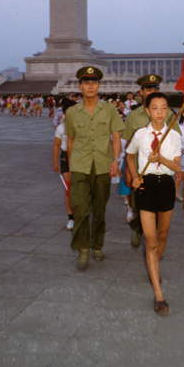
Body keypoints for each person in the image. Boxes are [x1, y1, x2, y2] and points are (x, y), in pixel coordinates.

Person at [65, 66, 125, 271]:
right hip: (80, 166)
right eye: (86, 83)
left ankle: (97, 245)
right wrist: (72, 166)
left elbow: (116, 137)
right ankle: (83, 248)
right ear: (80, 86)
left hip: (102, 165)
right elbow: (70, 140)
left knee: (99, 210)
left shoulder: (109, 110)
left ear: (99, 86)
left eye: (94, 83)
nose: (90, 86)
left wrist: (116, 160)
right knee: (81, 209)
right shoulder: (72, 112)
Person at [126, 92, 181, 315]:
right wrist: (134, 176)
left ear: (168, 111)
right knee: (150, 240)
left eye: (164, 108)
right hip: (146, 187)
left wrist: (161, 160)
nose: (160, 113)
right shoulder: (140, 134)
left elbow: (177, 168)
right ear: (147, 111)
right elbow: (129, 156)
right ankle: (158, 293)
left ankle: (153, 266)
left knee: (162, 236)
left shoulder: (174, 136)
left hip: (166, 185)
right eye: (155, 108)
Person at [122, 74, 181, 248]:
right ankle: (138, 228)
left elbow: (176, 141)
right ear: (141, 92)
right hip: (140, 171)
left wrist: (178, 170)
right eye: (148, 89)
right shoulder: (133, 116)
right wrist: (128, 173)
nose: (152, 92)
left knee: (158, 208)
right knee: (139, 203)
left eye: (156, 89)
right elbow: (128, 147)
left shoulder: (168, 115)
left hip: (162, 170)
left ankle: (152, 238)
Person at [53, 98, 76, 230]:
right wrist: (54, 161)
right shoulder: (61, 127)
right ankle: (71, 216)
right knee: (69, 188)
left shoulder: (82, 126)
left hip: (80, 158)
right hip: (65, 157)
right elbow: (56, 145)